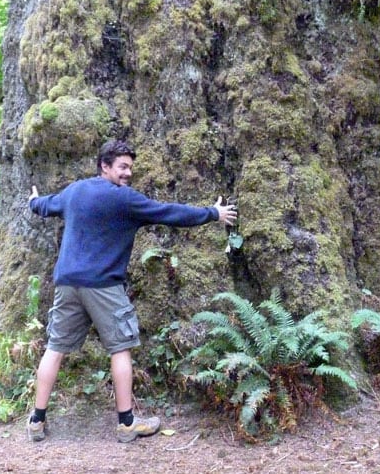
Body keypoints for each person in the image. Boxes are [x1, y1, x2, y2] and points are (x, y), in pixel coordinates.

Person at [25, 139, 237, 443]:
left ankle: (37, 420)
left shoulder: (74, 192)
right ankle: (126, 424)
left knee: (55, 347)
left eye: (130, 168)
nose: (128, 173)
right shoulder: (124, 200)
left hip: (67, 283)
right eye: (122, 167)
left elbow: (46, 205)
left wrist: (33, 202)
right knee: (120, 348)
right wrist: (212, 214)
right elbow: (169, 213)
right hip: (103, 286)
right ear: (105, 166)